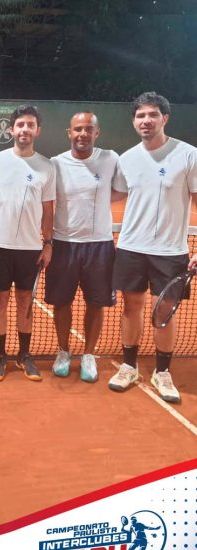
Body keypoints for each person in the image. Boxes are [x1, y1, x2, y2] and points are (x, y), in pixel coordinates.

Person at [110, 92, 197, 403]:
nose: (146, 120)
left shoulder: (188, 155)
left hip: (171, 252)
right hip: (131, 247)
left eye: (152, 115)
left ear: (165, 118)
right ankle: (129, 366)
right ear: (134, 122)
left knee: (164, 313)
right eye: (140, 116)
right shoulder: (126, 159)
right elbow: (114, 195)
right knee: (131, 307)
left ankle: (163, 372)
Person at [0, 105, 55, 381]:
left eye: (30, 125)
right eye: (20, 124)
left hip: (30, 249)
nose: (25, 129)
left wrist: (48, 243)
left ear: (38, 131)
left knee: (25, 301)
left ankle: (24, 354)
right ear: (12, 129)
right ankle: (0, 356)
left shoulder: (47, 166)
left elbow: (48, 209)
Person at [46, 112, 119, 382]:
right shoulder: (55, 164)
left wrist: (99, 200)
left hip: (99, 245)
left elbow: (122, 190)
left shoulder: (110, 159)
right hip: (63, 245)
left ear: (97, 133)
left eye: (89, 129)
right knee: (61, 302)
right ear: (70, 132)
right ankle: (63, 351)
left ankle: (88, 355)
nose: (83, 134)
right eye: (78, 129)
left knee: (96, 303)